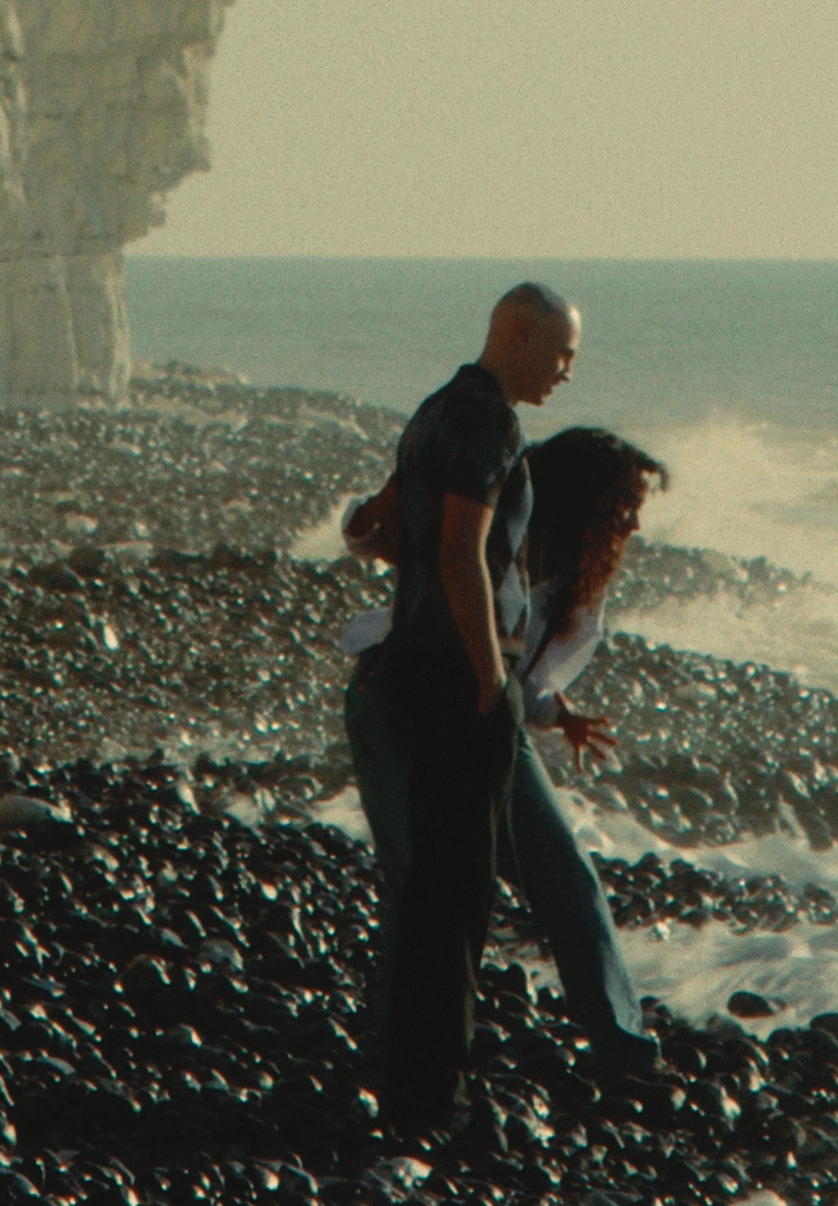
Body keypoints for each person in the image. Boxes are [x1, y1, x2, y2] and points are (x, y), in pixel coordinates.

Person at [343, 428, 669, 1092]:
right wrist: (379, 507)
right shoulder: (491, 532)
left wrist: (560, 715)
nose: (634, 523)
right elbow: (373, 539)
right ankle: (400, 1058)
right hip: (404, 696)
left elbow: (522, 674)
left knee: (566, 873)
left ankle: (623, 1047)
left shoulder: (578, 578)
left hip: (493, 719)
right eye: (623, 504)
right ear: (581, 498)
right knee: (419, 883)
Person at [360, 282, 581, 1135]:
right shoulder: (491, 423)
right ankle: (434, 1096)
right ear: (519, 337)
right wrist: (492, 677)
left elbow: (377, 528)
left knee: (429, 887)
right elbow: (461, 553)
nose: (567, 371)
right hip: (458, 680)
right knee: (457, 892)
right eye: (561, 352)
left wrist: (414, 565)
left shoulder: (434, 411)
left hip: (411, 666)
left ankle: (409, 1079)